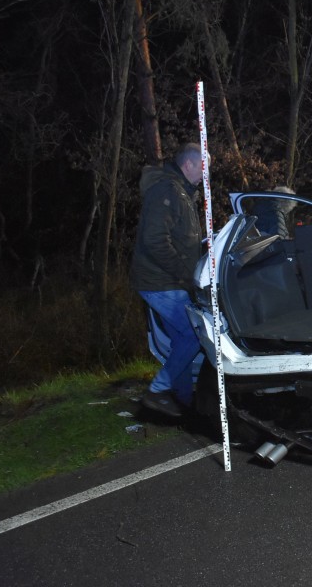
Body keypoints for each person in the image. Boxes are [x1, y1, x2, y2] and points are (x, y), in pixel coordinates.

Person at [130, 143, 205, 417]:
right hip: (160, 283)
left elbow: (181, 239)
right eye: (203, 165)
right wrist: (185, 274)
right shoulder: (167, 190)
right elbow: (155, 241)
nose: (207, 172)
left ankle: (182, 401)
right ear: (189, 165)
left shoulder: (183, 193)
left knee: (182, 339)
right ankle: (158, 391)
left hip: (170, 281)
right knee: (193, 335)